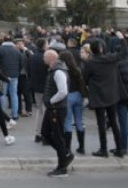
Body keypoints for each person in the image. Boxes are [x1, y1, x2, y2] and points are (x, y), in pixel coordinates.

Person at [82, 37, 127, 157]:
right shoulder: (110, 58)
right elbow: (123, 52)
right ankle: (119, 148)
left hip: (98, 96)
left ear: (92, 51)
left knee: (101, 124)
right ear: (102, 49)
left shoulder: (90, 63)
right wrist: (122, 39)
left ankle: (103, 149)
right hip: (112, 95)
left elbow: (84, 79)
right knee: (113, 122)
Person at [41, 50, 74, 178]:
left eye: (45, 56)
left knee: (58, 136)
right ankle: (65, 154)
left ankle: (62, 168)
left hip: (56, 109)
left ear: (51, 58)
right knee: (45, 133)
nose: (43, 58)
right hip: (53, 108)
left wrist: (50, 101)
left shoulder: (59, 71)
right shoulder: (55, 70)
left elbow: (63, 91)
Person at [60, 49, 88, 155]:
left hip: (68, 96)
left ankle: (67, 148)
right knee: (79, 121)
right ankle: (82, 147)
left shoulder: (63, 71)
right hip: (78, 95)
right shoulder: (77, 69)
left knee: (67, 122)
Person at [0, 35, 22, 126]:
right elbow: (21, 63)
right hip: (14, 75)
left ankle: (1, 114)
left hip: (2, 75)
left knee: (2, 94)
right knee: (14, 94)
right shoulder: (16, 50)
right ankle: (15, 114)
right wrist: (17, 71)